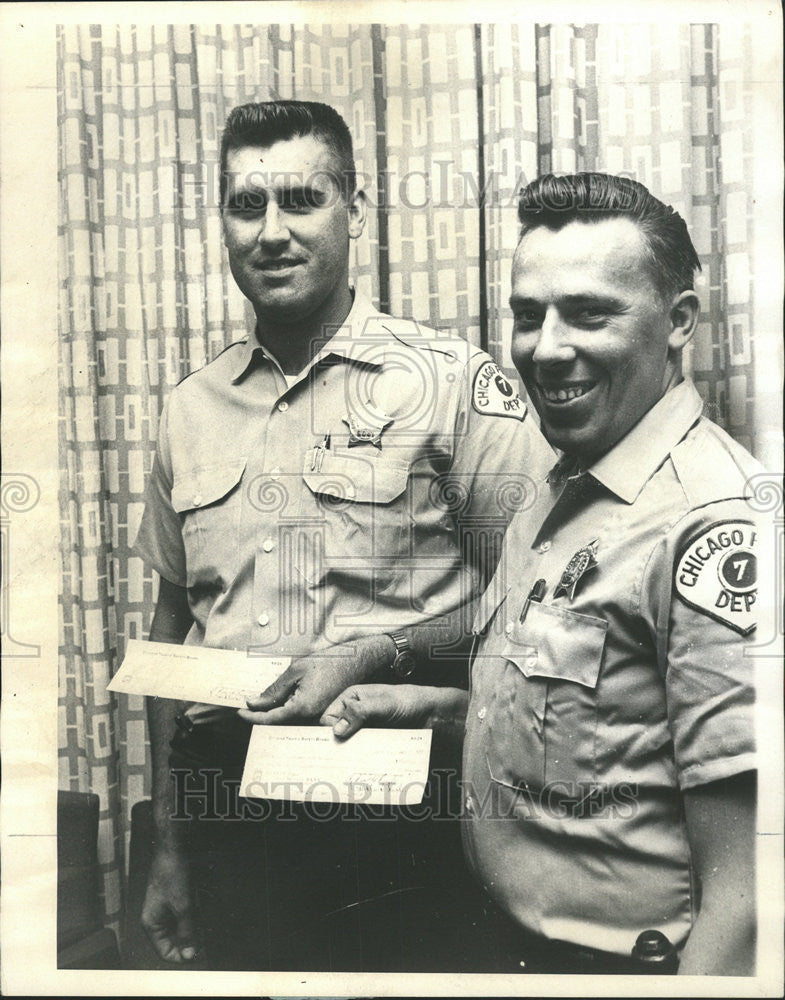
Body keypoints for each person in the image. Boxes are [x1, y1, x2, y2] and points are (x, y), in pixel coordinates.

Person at [131, 100, 554, 971]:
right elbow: (171, 636)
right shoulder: (187, 410)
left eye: (301, 200)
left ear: (355, 211)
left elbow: (536, 600)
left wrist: (380, 651)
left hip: (399, 809)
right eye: (246, 206)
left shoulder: (449, 383)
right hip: (229, 817)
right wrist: (171, 846)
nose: (271, 232)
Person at [322, 172, 761, 976]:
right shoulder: (563, 485)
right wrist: (428, 705)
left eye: (589, 313)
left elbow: (752, 895)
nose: (545, 348)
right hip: (502, 948)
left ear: (678, 322)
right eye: (528, 316)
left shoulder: (713, 525)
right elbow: (604, 731)